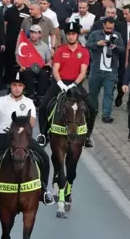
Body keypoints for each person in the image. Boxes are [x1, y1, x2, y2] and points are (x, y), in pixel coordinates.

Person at [0, 72, 54, 206]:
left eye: (19, 85)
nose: (17, 88)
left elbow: (32, 122)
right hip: (4, 137)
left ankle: (44, 190)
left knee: (44, 156)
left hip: (23, 138)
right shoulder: (2, 101)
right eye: (14, 85)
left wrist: (22, 125)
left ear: (23, 87)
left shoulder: (29, 102)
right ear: (10, 86)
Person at [37, 21, 96, 149]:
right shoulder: (60, 50)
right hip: (59, 83)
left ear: (77, 35)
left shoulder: (84, 52)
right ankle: (42, 134)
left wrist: (74, 84)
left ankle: (87, 137)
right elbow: (55, 69)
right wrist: (60, 83)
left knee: (92, 108)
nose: (70, 36)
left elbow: (83, 72)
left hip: (76, 84)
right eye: (68, 34)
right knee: (43, 106)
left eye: (73, 34)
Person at [87, 17, 125, 124]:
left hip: (111, 70)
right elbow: (87, 45)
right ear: (103, 25)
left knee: (109, 93)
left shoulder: (117, 35)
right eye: (107, 28)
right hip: (96, 69)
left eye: (111, 28)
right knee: (93, 92)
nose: (109, 30)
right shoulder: (95, 34)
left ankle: (106, 115)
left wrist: (115, 46)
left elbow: (123, 49)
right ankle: (93, 111)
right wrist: (97, 44)